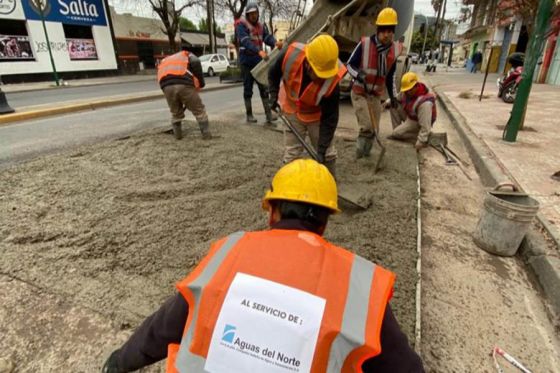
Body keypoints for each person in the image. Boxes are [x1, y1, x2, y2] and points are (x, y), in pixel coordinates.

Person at [102, 159, 424, 373]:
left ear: (271, 212)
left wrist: (119, 362)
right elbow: (405, 368)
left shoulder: (229, 252)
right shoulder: (357, 285)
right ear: (325, 223)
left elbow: (166, 325)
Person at [268, 34, 346, 177]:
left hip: (316, 115)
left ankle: (329, 182)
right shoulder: (290, 54)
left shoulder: (333, 80)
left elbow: (330, 119)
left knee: (327, 154)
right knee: (292, 153)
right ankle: (289, 184)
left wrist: (321, 150)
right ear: (308, 63)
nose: (324, 78)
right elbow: (273, 73)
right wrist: (273, 95)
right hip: (292, 108)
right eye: (320, 74)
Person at [347, 7, 402, 159]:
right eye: (384, 31)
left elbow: (390, 77)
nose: (387, 35)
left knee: (375, 128)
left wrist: (394, 96)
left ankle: (366, 154)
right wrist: (359, 75)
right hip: (359, 92)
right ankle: (359, 154)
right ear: (378, 30)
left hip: (375, 96)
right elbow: (349, 65)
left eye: (390, 31)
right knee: (367, 126)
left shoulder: (393, 51)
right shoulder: (365, 44)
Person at [236, 2, 282, 125]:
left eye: (255, 13)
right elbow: (245, 41)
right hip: (246, 61)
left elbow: (266, 37)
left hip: (258, 61)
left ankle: (268, 115)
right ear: (247, 14)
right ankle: (249, 114)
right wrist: (258, 51)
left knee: (264, 87)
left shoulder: (261, 26)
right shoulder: (241, 25)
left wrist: (275, 42)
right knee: (248, 88)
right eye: (251, 14)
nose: (254, 16)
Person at [157, 46, 211, 140]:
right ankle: (206, 136)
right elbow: (196, 61)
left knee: (175, 113)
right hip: (183, 82)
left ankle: (178, 136)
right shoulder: (187, 54)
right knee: (199, 110)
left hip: (166, 86)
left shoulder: (167, 59)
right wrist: (201, 83)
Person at [388, 72, 436, 150]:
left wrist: (421, 141)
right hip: (411, 115)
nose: (407, 92)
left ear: (416, 86)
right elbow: (397, 98)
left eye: (409, 90)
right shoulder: (407, 92)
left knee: (396, 133)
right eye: (406, 90)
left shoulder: (425, 103)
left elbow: (425, 125)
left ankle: (424, 136)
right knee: (393, 105)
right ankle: (399, 132)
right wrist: (387, 102)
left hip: (417, 122)